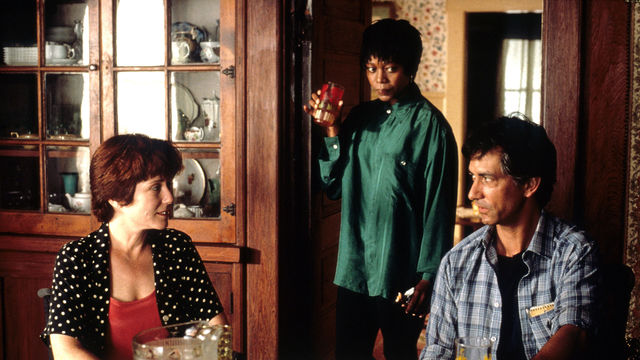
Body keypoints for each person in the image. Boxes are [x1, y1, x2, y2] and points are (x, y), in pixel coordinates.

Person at [304, 19, 458, 359]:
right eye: (371, 68)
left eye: (391, 68)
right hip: (354, 270)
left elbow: (439, 209)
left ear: (411, 68)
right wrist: (331, 131)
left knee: (401, 355)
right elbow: (330, 186)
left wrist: (430, 276)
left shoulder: (433, 128)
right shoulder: (359, 119)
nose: (379, 79)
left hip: (401, 275)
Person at [421, 115, 600, 360]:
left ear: (529, 185)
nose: (472, 193)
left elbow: (573, 333)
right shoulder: (456, 262)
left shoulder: (573, 251)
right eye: (473, 177)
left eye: (487, 178)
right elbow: (437, 351)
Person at [40, 134, 226, 360]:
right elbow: (65, 351)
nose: (169, 197)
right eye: (156, 187)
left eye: (168, 184)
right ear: (117, 197)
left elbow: (217, 333)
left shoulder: (177, 248)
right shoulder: (78, 258)